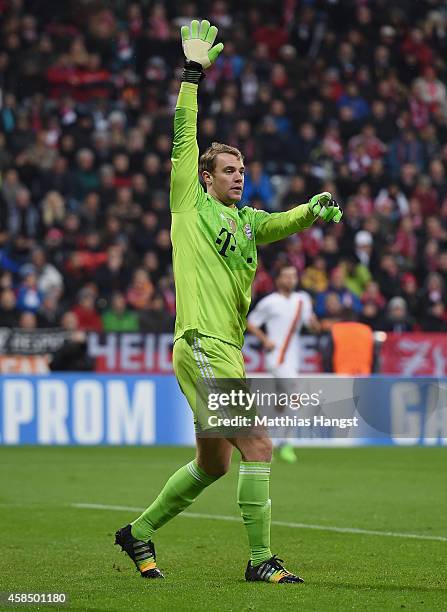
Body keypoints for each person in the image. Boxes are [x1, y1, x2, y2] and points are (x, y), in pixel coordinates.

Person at [115, 20, 342, 585]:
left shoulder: (247, 223)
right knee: (259, 444)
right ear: (206, 178)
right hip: (202, 342)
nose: (240, 177)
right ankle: (260, 559)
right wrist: (192, 77)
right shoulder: (189, 204)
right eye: (230, 170)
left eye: (244, 170)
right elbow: (182, 134)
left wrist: (312, 210)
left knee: (214, 462)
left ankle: (138, 533)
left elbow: (281, 222)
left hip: (227, 350)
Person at [247, 265, 319, 463]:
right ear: (278, 279)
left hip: (292, 359)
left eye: (293, 276)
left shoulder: (302, 300)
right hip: (276, 358)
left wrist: (315, 324)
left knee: (280, 404)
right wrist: (265, 340)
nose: (290, 279)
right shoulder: (270, 302)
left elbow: (311, 325)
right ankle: (285, 443)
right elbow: (250, 322)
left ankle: (256, 436)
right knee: (295, 396)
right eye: (286, 276)